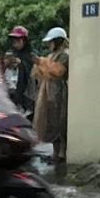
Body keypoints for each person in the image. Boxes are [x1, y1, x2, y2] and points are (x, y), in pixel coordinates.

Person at [33, 27, 69, 164]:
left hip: (59, 91)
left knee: (60, 122)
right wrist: (39, 64)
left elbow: (58, 71)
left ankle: (61, 154)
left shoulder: (64, 55)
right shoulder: (50, 56)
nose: (48, 44)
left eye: (50, 42)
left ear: (58, 41)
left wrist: (41, 62)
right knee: (50, 122)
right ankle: (55, 153)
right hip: (48, 91)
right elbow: (42, 73)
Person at [1, 25, 36, 114]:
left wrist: (20, 63)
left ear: (24, 41)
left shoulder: (30, 55)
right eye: (13, 42)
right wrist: (6, 63)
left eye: (18, 41)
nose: (15, 44)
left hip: (25, 95)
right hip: (11, 92)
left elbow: (32, 74)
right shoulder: (11, 53)